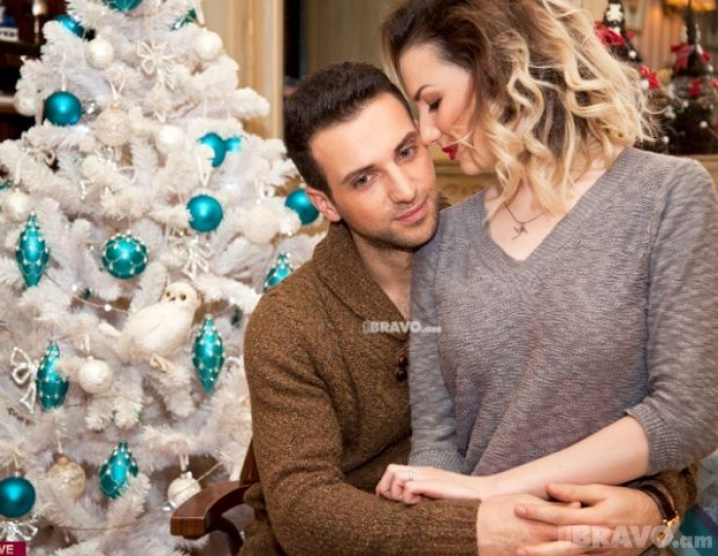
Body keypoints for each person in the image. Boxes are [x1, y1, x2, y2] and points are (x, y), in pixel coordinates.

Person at [241, 61, 697, 556]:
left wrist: (656, 502)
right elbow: (302, 510)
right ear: (325, 203)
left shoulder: (515, 248)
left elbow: (664, 407)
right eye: (365, 179)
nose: (405, 190)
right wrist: (475, 530)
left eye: (407, 152)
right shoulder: (290, 322)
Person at [375, 0, 718, 529]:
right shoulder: (443, 240)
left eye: (434, 102)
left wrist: (495, 489)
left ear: (497, 67)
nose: (426, 132)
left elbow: (688, 413)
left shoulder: (668, 196)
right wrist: (475, 526)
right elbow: (437, 445)